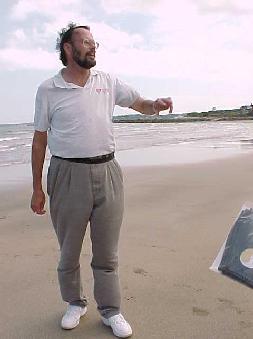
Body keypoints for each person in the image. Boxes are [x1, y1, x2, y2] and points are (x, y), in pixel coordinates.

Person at [30, 23, 173, 338]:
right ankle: (74, 303)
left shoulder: (107, 81)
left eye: (95, 42)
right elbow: (39, 141)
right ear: (68, 48)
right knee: (69, 250)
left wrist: (156, 105)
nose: (93, 47)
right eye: (86, 42)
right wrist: (38, 188)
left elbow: (141, 104)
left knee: (107, 253)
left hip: (107, 172)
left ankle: (111, 311)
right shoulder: (48, 89)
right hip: (66, 175)